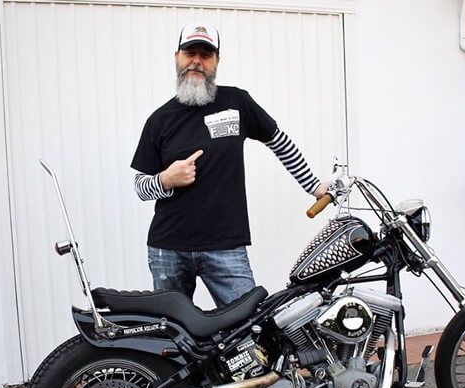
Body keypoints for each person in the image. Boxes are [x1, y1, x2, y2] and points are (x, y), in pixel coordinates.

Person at [131, 20, 329, 307]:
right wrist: (165, 180)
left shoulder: (236, 102)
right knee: (172, 335)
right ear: (177, 57)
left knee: (249, 327)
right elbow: (140, 187)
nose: (197, 62)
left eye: (206, 55)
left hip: (226, 246)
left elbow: (279, 142)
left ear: (216, 61)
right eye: (190, 53)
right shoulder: (159, 120)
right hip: (168, 248)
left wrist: (313, 186)